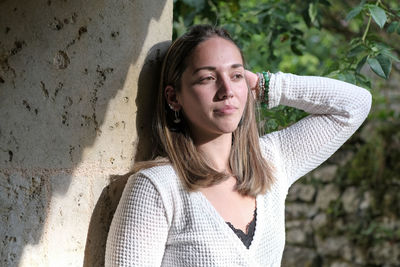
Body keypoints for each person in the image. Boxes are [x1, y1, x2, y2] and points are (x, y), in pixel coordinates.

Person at [105, 24, 372, 266]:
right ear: (174, 98)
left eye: (235, 76)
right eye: (208, 78)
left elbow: (354, 105)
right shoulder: (157, 188)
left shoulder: (272, 161)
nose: (226, 90)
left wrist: (265, 86)